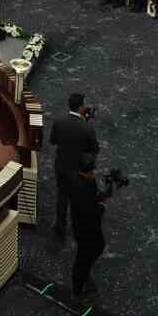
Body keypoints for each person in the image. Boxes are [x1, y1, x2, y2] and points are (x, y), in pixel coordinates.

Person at [50, 91, 98, 241]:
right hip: (78, 171)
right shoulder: (87, 127)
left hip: (61, 166)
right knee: (78, 199)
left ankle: (60, 226)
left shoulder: (59, 121)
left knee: (62, 196)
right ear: (81, 107)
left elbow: (53, 141)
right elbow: (94, 149)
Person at [67, 152, 111, 302]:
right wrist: (101, 207)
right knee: (83, 259)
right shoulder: (81, 185)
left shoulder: (85, 180)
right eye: (91, 170)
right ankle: (77, 292)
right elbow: (88, 209)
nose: (93, 173)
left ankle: (83, 278)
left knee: (93, 251)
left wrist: (103, 195)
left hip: (87, 227)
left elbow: (92, 198)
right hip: (85, 229)